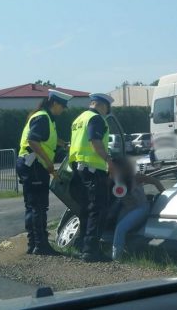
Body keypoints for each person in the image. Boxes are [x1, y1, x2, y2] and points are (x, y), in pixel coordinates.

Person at [16, 89, 71, 255]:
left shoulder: (45, 118)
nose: (63, 110)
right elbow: (33, 141)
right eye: (62, 106)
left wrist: (64, 144)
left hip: (28, 164)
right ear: (54, 103)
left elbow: (48, 140)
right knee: (39, 206)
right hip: (34, 165)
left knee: (32, 205)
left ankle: (33, 244)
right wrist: (49, 163)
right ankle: (41, 245)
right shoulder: (42, 118)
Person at [68, 93, 115, 262]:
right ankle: (91, 250)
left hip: (78, 170)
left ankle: (82, 245)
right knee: (98, 209)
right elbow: (95, 141)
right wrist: (109, 161)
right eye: (108, 108)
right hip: (93, 170)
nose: (107, 112)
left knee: (86, 209)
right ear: (103, 106)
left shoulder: (79, 119)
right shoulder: (96, 119)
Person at [111, 157, 164, 261]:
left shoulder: (135, 177)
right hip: (126, 209)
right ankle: (124, 251)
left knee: (120, 228)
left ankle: (116, 258)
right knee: (118, 228)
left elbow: (155, 181)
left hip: (141, 208)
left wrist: (164, 194)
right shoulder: (113, 179)